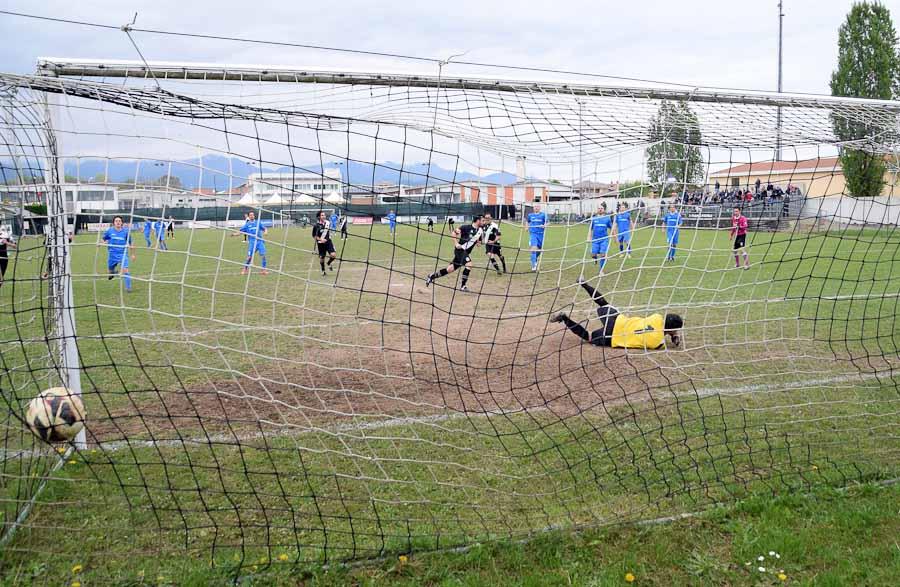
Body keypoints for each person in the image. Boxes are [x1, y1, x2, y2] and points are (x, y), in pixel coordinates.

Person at [550, 278, 683, 349]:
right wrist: (673, 336)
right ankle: (564, 318)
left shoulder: (657, 317)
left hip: (617, 320)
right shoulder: (658, 343)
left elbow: (662, 326)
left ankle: (584, 284)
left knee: (604, 304)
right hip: (614, 336)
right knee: (588, 337)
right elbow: (662, 333)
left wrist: (672, 333)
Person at [425, 215, 483, 291]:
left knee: (449, 269)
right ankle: (463, 286)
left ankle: (431, 276)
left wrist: (479, 241)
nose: (483, 222)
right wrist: (456, 243)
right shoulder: (465, 227)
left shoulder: (480, 231)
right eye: (482, 220)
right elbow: (453, 233)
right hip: (460, 250)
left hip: (465, 252)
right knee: (469, 264)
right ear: (478, 221)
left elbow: (479, 244)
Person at [101, 216, 135, 292]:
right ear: (114, 223)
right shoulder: (109, 231)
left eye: (119, 221)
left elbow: (131, 242)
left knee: (125, 270)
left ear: (122, 222)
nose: (118, 222)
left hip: (123, 254)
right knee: (110, 269)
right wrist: (103, 242)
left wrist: (132, 254)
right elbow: (103, 239)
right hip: (112, 254)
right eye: (116, 221)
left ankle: (128, 287)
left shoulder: (126, 231)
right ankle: (112, 273)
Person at [588, 204, 613, 273]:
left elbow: (612, 228)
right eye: (599, 208)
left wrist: (614, 236)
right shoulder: (594, 218)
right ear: (597, 210)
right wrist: (589, 237)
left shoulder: (607, 218)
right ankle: (596, 257)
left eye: (601, 208)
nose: (600, 209)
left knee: (603, 254)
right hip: (595, 240)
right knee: (593, 254)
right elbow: (590, 229)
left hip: (604, 240)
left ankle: (601, 270)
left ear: (604, 210)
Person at [313, 210, 337, 276]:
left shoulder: (328, 223)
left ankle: (329, 263)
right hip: (320, 244)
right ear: (319, 217)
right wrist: (321, 239)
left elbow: (330, 230)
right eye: (322, 215)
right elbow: (314, 236)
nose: (324, 216)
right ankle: (323, 270)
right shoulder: (316, 226)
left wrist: (330, 235)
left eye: (324, 215)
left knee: (333, 255)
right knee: (322, 258)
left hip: (328, 242)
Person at [525, 203, 548, 272]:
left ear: (540, 208)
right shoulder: (530, 215)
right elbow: (527, 221)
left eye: (537, 207)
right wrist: (526, 227)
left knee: (539, 250)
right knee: (533, 249)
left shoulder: (543, 215)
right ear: (533, 208)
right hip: (533, 234)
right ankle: (533, 266)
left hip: (541, 235)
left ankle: (534, 259)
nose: (536, 208)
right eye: (535, 207)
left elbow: (548, 222)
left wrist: (544, 225)